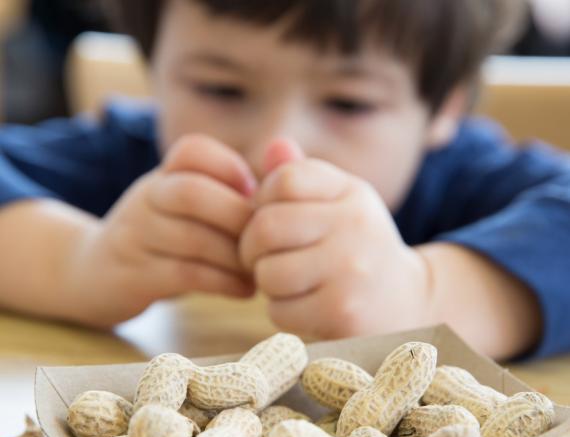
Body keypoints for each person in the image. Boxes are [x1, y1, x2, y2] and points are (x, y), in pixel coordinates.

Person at [0, 0, 569, 362]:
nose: (277, 149)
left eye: (349, 102)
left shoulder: (465, 179)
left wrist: (428, 291)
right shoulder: (129, 159)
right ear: (155, 71)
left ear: (443, 108)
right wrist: (73, 261)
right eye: (221, 89)